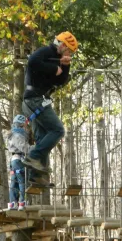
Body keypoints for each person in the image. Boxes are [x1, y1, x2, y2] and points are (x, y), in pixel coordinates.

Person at [21, 31, 78, 186]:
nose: (69, 53)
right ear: (63, 45)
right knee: (58, 130)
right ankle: (33, 156)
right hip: (35, 99)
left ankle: (36, 176)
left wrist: (65, 67)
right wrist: (54, 69)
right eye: (68, 50)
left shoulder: (57, 58)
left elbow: (60, 81)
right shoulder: (47, 51)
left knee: (42, 138)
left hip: (33, 101)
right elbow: (32, 61)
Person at [6, 114, 31, 210]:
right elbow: (24, 148)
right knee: (21, 181)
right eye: (24, 125)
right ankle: (21, 203)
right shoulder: (17, 135)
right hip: (19, 159)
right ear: (21, 124)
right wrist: (33, 148)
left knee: (14, 181)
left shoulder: (12, 134)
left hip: (13, 161)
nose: (25, 127)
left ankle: (13, 203)